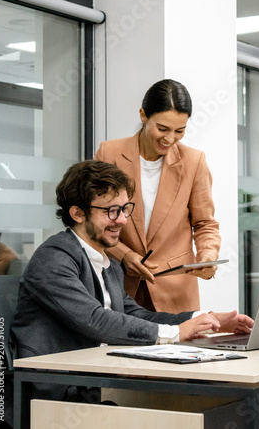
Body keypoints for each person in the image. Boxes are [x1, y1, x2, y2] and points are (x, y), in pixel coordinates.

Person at [0, 160, 252, 429]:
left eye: (125, 209)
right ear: (78, 213)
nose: (123, 220)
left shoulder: (107, 263)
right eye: (112, 211)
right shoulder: (53, 259)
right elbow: (95, 320)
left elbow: (133, 313)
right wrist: (175, 333)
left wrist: (203, 321)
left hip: (85, 395)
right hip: (45, 404)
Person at [94, 79, 221, 313]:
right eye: (162, 129)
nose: (170, 139)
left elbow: (205, 224)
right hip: (120, 284)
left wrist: (208, 256)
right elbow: (95, 219)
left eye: (179, 131)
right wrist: (124, 255)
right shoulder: (109, 154)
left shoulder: (194, 162)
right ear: (143, 115)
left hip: (175, 291)